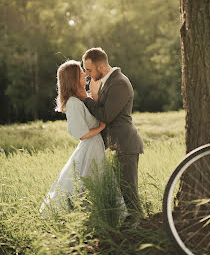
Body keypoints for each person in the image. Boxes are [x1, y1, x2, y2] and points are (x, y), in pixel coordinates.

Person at [78, 47, 144, 217]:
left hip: (125, 144)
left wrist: (85, 99)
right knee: (120, 194)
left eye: (89, 70)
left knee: (129, 194)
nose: (86, 74)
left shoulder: (119, 83)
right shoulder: (108, 82)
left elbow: (106, 115)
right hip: (116, 145)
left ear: (100, 67)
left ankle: (139, 231)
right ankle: (128, 230)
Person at [40, 60, 106, 214]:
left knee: (97, 181)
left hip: (96, 146)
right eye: (81, 72)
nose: (85, 74)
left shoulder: (82, 98)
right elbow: (82, 135)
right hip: (90, 147)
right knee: (88, 184)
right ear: (73, 78)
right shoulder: (73, 103)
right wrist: (102, 126)